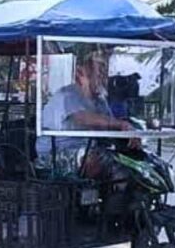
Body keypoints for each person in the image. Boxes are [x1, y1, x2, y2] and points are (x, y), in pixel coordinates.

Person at [39, 46, 138, 178]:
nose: (103, 73)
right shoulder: (68, 95)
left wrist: (132, 133)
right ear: (84, 72)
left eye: (105, 68)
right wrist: (121, 124)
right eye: (100, 68)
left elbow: (109, 125)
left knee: (130, 162)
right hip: (57, 152)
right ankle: (89, 195)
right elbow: (83, 118)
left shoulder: (99, 100)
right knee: (94, 160)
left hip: (88, 148)